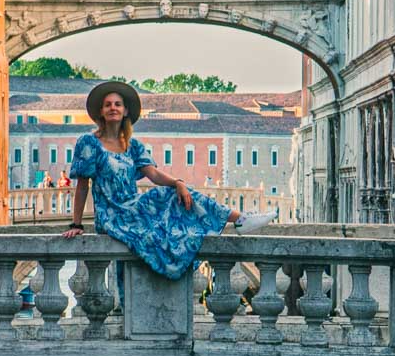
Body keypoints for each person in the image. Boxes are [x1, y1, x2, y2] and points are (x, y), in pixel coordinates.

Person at [63, 81, 276, 279]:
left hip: (133, 208)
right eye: (108, 104)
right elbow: (82, 186)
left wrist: (178, 183)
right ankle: (240, 219)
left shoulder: (133, 145)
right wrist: (77, 223)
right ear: (101, 111)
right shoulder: (89, 143)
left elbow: (153, 174)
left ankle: (239, 219)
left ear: (125, 111)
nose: (113, 108)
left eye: (118, 104)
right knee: (161, 200)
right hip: (111, 215)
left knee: (172, 198)